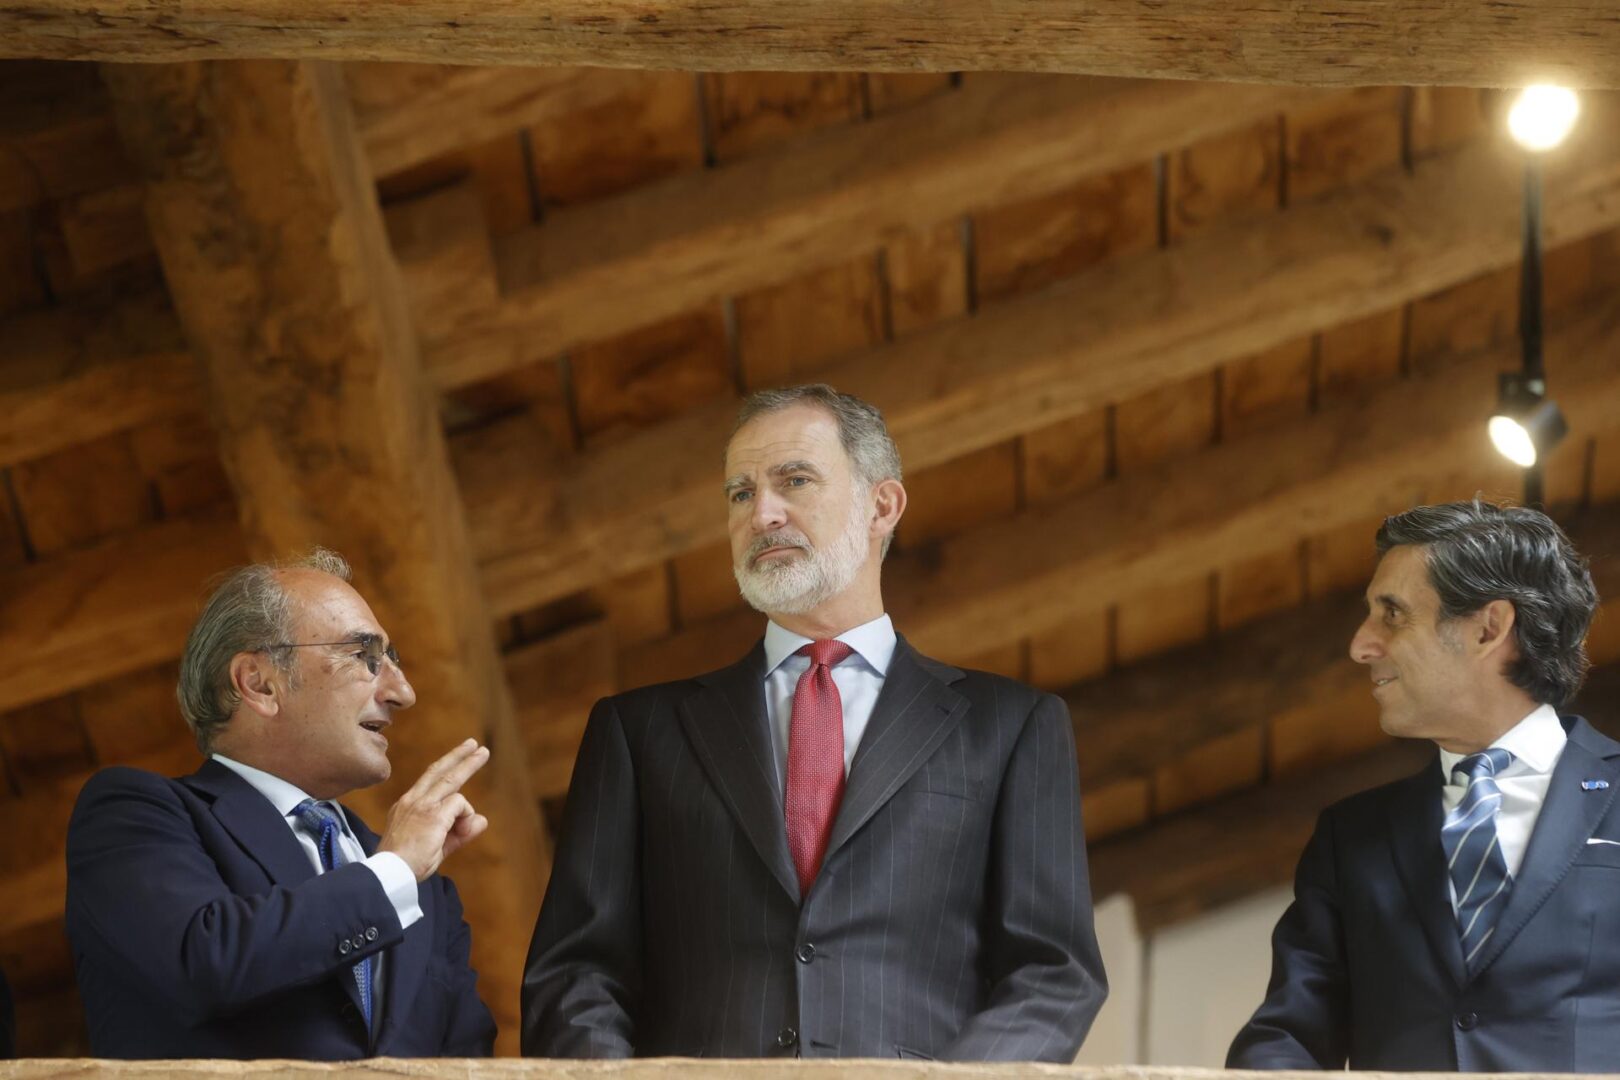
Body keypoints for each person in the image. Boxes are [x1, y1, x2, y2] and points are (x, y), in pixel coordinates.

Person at [522, 384, 1106, 1061]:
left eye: (793, 481)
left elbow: (1054, 973)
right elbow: (575, 972)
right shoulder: (638, 732)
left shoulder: (1013, 727)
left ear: (882, 505)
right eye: (739, 494)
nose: (762, 513)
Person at [1229, 499, 1618, 1071]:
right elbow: (1291, 1034)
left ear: (1489, 628)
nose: (1360, 645)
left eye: (1392, 614)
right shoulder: (1349, 836)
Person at [65, 550, 497, 1059]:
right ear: (259, 684)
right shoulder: (133, 812)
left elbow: (468, 1060)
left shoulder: (431, 898)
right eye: (366, 657)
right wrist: (393, 870)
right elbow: (205, 963)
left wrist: (399, 873)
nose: (403, 692)